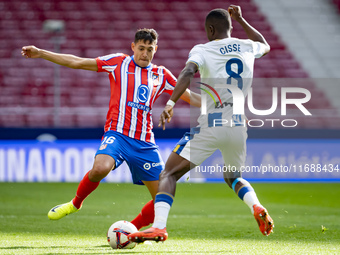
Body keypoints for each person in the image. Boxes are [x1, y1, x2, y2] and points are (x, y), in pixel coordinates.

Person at [21, 28, 201, 230]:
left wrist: (221, 105)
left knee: (163, 198)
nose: (145, 54)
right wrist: (41, 52)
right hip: (117, 135)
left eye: (150, 49)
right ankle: (75, 204)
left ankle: (128, 232)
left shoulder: (161, 74)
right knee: (100, 168)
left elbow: (191, 97)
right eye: (141, 48)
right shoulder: (118, 63)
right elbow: (77, 62)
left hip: (144, 143)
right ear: (133, 47)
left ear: (155, 49)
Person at [128, 6, 274, 242]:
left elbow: (187, 72)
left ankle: (159, 227)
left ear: (210, 29)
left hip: (213, 122)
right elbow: (264, 43)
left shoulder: (203, 49)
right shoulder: (247, 46)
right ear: (231, 27)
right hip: (238, 123)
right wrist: (241, 19)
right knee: (233, 176)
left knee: (169, 173)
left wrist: (171, 102)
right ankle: (255, 206)